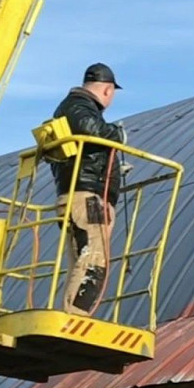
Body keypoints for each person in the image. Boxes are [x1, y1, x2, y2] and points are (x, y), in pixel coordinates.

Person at [50, 62, 128, 316]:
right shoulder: (78, 107)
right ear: (107, 91)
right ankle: (76, 320)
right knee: (93, 260)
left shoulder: (72, 107)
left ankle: (74, 316)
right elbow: (90, 128)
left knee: (84, 257)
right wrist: (117, 135)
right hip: (88, 198)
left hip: (80, 196)